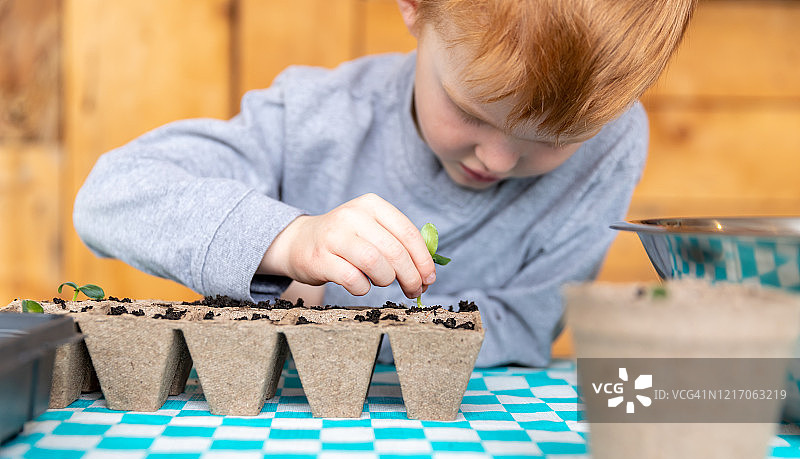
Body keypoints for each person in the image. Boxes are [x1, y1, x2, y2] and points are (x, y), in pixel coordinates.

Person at [73, 0, 696, 367]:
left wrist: (332, 308)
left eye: (556, 138)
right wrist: (288, 240)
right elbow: (110, 197)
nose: (499, 160)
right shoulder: (316, 116)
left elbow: (526, 326)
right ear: (416, 8)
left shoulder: (613, 140)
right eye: (474, 113)